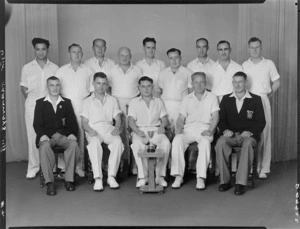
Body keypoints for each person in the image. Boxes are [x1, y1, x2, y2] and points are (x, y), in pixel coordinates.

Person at [215, 71, 266, 195]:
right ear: (232, 83)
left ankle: (240, 183)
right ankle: (225, 181)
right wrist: (225, 130)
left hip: (248, 136)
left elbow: (261, 121)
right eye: (235, 82)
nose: (237, 85)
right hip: (231, 135)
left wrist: (251, 132)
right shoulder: (226, 99)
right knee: (220, 143)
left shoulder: (255, 99)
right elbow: (221, 120)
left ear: (246, 83)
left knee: (248, 145)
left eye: (240, 81)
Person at [171, 72, 219, 190]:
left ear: (205, 83)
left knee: (205, 142)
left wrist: (210, 130)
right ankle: (178, 176)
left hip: (205, 128)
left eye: (202, 82)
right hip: (189, 129)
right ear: (192, 83)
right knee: (177, 139)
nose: (199, 85)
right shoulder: (187, 98)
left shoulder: (212, 97)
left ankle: (201, 178)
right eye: (196, 82)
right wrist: (179, 128)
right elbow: (181, 118)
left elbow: (216, 116)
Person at [33, 76, 79, 196]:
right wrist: (42, 135)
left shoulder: (66, 102)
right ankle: (49, 183)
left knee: (73, 145)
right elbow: (37, 124)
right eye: (52, 85)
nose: (55, 88)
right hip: (47, 137)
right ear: (47, 87)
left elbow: (72, 122)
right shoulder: (40, 103)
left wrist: (71, 134)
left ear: (60, 86)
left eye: (57, 85)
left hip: (63, 136)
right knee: (44, 147)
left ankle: (69, 180)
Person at [20, 37, 59, 179]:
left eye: (43, 49)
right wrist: (34, 104)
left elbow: (57, 88)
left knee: (51, 135)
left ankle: (51, 166)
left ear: (47, 50)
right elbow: (23, 88)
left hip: (50, 106)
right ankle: (34, 167)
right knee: (33, 136)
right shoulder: (27, 67)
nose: (40, 52)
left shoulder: (55, 68)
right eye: (38, 49)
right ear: (34, 50)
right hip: (32, 105)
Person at [242, 37, 280, 179]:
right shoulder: (244, 65)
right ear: (248, 49)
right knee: (250, 133)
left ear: (261, 48)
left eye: (257, 47)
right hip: (248, 101)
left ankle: (263, 167)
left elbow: (276, 82)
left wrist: (267, 97)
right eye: (252, 47)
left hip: (263, 100)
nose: (254, 50)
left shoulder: (268, 63)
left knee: (265, 133)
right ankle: (252, 167)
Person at [55, 43, 93, 177]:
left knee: (81, 137)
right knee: (66, 136)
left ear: (82, 54)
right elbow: (55, 91)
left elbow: (92, 92)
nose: (76, 54)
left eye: (79, 52)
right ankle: (64, 167)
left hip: (83, 105)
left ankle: (80, 166)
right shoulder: (61, 71)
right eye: (73, 52)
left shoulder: (88, 70)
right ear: (69, 54)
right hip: (66, 107)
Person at [81, 72, 124, 191]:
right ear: (93, 84)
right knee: (94, 144)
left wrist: (117, 128)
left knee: (118, 142)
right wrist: (89, 130)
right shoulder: (87, 101)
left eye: (104, 83)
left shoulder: (112, 100)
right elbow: (84, 122)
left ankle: (111, 176)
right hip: (93, 129)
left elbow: (118, 118)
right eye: (98, 83)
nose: (101, 86)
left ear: (107, 85)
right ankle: (98, 179)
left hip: (108, 128)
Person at [128, 76, 171, 187]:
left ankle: (160, 177)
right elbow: (131, 121)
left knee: (166, 143)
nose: (146, 89)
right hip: (140, 130)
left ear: (152, 87)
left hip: (156, 130)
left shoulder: (158, 101)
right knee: (136, 145)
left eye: (148, 86)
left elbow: (164, 119)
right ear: (139, 87)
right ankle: (143, 177)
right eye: (143, 86)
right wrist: (137, 131)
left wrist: (162, 126)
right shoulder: (134, 102)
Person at [107, 47, 142, 174]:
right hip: (117, 104)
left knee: (134, 135)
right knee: (120, 135)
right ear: (118, 56)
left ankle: (135, 165)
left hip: (133, 103)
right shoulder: (112, 71)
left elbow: (142, 88)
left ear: (131, 55)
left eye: (127, 55)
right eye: (122, 55)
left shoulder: (137, 70)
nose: (125, 57)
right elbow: (108, 90)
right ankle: (121, 165)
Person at [158, 48, 193, 137]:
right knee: (166, 133)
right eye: (171, 58)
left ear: (180, 57)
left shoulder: (188, 72)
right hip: (166, 106)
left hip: (181, 106)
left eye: (176, 57)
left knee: (179, 132)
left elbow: (191, 92)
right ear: (168, 59)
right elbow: (161, 90)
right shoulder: (163, 73)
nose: (174, 60)